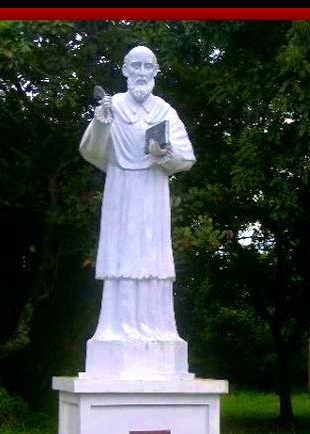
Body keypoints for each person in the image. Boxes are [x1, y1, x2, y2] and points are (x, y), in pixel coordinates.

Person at [79, 45, 195, 357]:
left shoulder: (165, 111)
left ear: (156, 71)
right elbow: (92, 152)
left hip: (152, 193)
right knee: (121, 255)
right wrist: (101, 123)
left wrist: (164, 153)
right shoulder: (113, 106)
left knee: (152, 257)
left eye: (147, 66)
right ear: (125, 70)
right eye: (136, 66)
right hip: (121, 191)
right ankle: (115, 329)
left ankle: (158, 329)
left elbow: (186, 158)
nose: (142, 73)